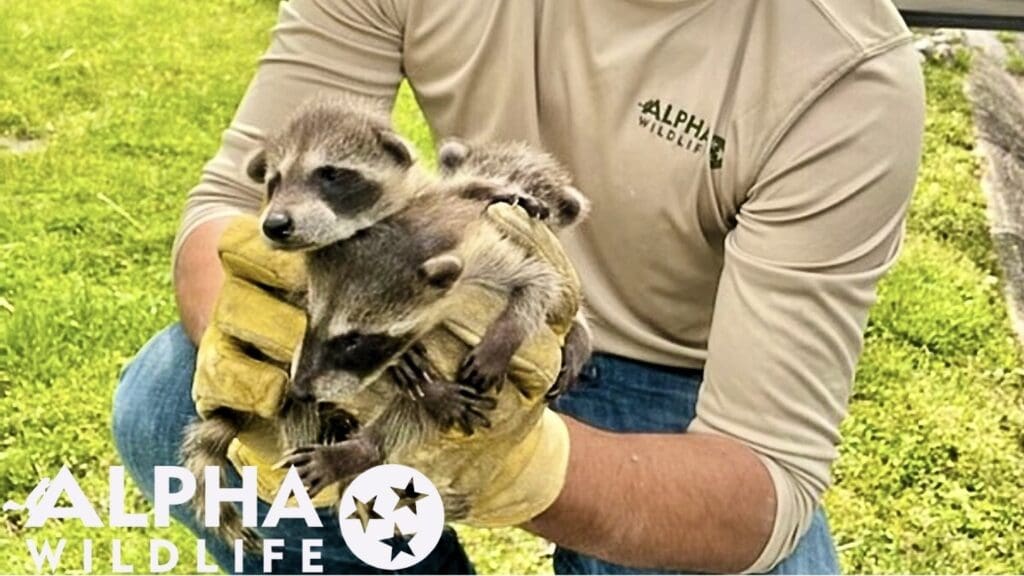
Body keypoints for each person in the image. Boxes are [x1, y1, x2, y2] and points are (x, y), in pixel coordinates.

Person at [112, 0, 926, 573]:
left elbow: (761, 484)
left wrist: (509, 466)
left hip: (676, 389)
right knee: (168, 400)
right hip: (435, 319)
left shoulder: (841, 72)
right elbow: (226, 210)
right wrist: (288, 320)